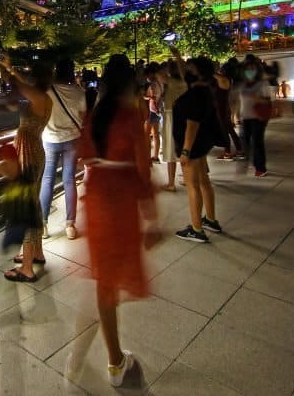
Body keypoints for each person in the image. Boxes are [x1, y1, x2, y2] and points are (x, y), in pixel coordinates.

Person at [75, 55, 160, 386]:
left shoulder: (94, 115)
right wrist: (151, 216)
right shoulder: (129, 116)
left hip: (96, 195)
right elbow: (143, 166)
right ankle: (114, 363)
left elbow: (83, 155)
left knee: (104, 278)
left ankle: (113, 359)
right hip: (120, 199)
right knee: (112, 278)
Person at [0, 53, 53, 282]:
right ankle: (36, 252)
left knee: (27, 208)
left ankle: (26, 268)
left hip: (28, 153)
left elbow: (17, 84)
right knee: (34, 204)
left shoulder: (36, 96)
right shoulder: (45, 98)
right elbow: (20, 83)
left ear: (34, 77)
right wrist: (9, 68)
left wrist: (4, 68)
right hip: (36, 150)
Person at [173, 54, 222, 243]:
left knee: (193, 185)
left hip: (192, 146)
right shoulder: (205, 90)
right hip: (202, 144)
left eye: (191, 69)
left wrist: (185, 150)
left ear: (199, 73)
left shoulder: (194, 95)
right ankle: (210, 219)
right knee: (204, 181)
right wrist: (176, 55)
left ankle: (196, 229)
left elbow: (192, 124)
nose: (187, 71)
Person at [40, 57, 86, 239]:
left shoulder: (47, 90)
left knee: (48, 179)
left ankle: (43, 225)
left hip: (50, 138)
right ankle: (70, 225)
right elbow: (83, 115)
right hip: (72, 139)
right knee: (69, 180)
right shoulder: (78, 91)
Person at [238, 58, 274, 177]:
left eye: (252, 69)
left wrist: (255, 97)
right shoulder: (243, 84)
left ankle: (260, 168)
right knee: (245, 140)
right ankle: (252, 162)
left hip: (258, 117)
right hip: (246, 116)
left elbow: (268, 100)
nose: (250, 71)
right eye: (247, 69)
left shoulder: (262, 84)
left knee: (257, 142)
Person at [160, 58, 188, 191]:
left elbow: (159, 75)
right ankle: (187, 178)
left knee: (171, 150)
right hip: (183, 116)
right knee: (182, 147)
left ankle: (171, 183)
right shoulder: (185, 82)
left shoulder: (172, 82)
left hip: (171, 117)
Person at [213, 63, 244, 159]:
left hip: (222, 108)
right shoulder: (228, 79)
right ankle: (239, 150)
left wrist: (210, 70)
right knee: (230, 129)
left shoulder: (223, 79)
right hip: (225, 107)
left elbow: (212, 74)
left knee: (224, 130)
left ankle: (227, 152)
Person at [143, 62, 164, 162]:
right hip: (158, 110)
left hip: (153, 110)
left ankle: (147, 156)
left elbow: (153, 97)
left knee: (146, 134)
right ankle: (155, 156)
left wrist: (145, 96)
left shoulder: (153, 84)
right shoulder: (160, 82)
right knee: (155, 134)